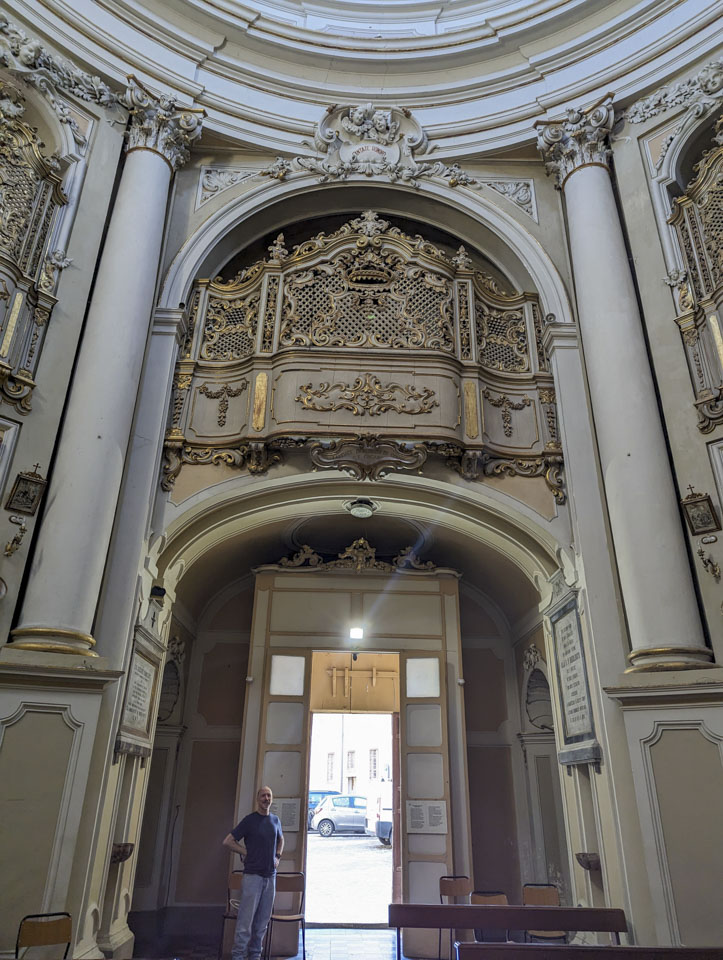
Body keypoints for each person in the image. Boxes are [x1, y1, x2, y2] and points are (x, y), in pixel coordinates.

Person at [223, 786, 284, 960]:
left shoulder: (275, 820)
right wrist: (246, 852)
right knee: (245, 923)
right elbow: (228, 842)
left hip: (270, 878)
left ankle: (255, 955)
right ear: (258, 799)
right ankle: (238, 956)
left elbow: (281, 839)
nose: (266, 798)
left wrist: (277, 856)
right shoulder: (249, 821)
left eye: (269, 795)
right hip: (252, 877)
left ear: (272, 799)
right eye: (263, 795)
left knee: (262, 923)